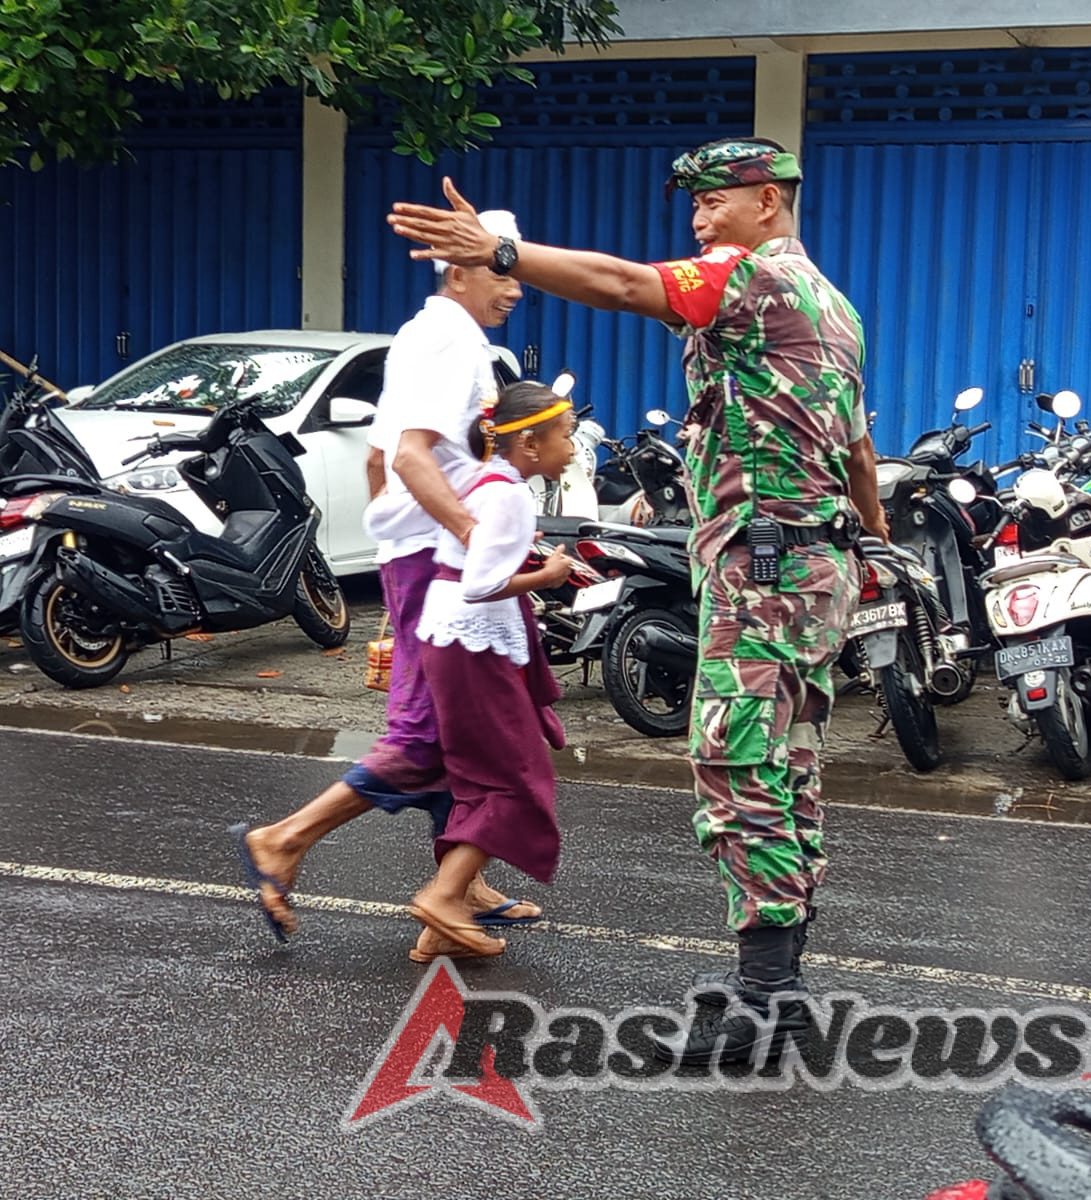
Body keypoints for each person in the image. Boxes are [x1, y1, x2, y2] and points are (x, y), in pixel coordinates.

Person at [388, 138, 890, 1059]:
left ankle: (767, 999)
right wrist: (872, 536)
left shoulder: (750, 282)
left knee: (737, 765)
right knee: (789, 764)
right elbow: (858, 449)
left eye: (716, 203)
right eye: (692, 208)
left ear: (770, 203)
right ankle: (776, 976)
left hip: (768, 565)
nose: (700, 222)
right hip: (810, 564)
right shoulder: (833, 305)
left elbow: (622, 285)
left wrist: (502, 252)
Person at [230, 208, 543, 950]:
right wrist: (473, 542)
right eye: (502, 272)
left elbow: (378, 461)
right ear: (458, 269)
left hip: (421, 557)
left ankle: (461, 882)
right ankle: (284, 839)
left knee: (457, 724)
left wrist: (396, 561)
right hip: (441, 556)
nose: (516, 289)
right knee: (430, 728)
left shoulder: (424, 336)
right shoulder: (453, 342)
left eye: (517, 272)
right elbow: (408, 458)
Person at [404, 380, 578, 960]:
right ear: (529, 442)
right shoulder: (509, 494)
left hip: (458, 638)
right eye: (567, 436)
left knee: (479, 774)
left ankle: (441, 927)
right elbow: (480, 584)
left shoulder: (487, 481)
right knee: (517, 776)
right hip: (471, 642)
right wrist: (547, 577)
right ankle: (444, 894)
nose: (573, 449)